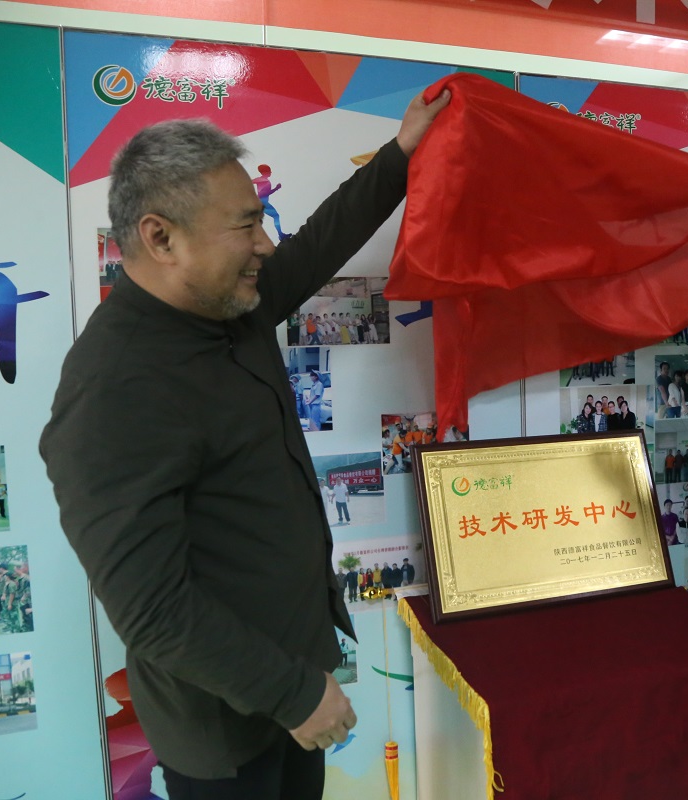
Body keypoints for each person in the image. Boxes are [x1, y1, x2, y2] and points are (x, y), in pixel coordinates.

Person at [40, 91, 449, 798]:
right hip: (229, 727)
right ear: (161, 238)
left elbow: (316, 245)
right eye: (245, 225)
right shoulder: (113, 389)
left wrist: (402, 153)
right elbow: (151, 609)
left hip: (294, 682)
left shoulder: (226, 305)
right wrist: (293, 694)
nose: (265, 244)